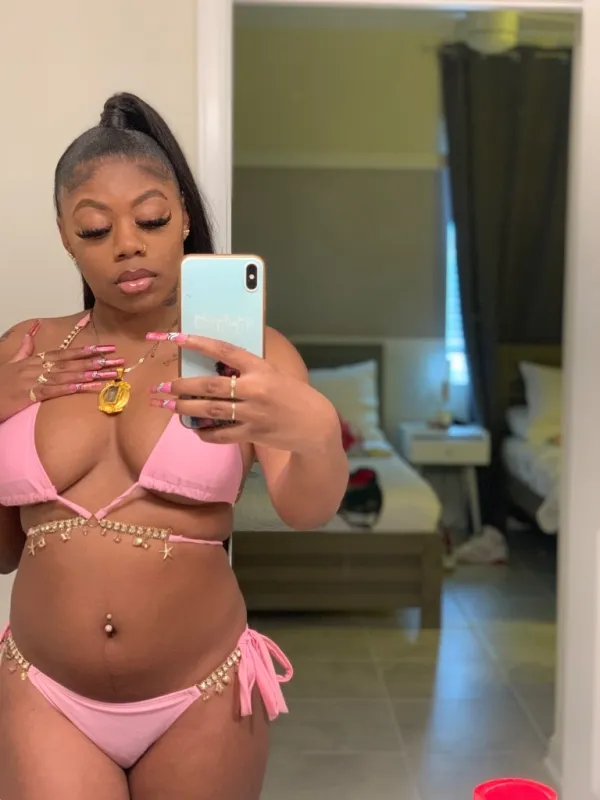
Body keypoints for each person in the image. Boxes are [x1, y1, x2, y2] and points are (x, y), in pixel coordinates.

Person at [0, 92, 348, 800]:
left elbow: (306, 509)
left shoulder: (246, 354)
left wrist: (313, 431)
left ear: (184, 216)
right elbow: (3, 551)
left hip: (203, 696)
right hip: (43, 691)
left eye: (152, 219)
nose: (128, 244)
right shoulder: (26, 351)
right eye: (95, 229)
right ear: (66, 237)